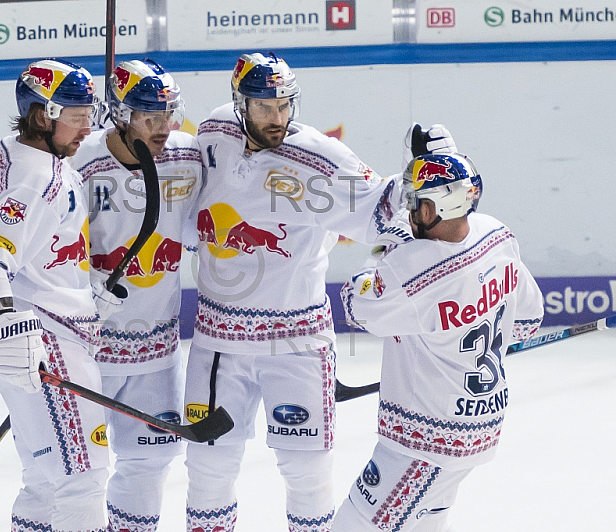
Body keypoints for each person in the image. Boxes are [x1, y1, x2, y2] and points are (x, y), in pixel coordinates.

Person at [184, 51, 455, 532]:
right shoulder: (213, 132)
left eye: (286, 105)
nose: (278, 117)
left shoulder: (319, 158)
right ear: (239, 102)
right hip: (218, 342)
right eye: (265, 107)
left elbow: (381, 210)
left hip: (296, 345)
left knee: (307, 476)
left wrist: (428, 169)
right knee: (208, 471)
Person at [0, 58, 123, 532]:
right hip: (42, 342)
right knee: (84, 475)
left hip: (35, 331)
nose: (87, 127)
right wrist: (9, 325)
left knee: (47, 476)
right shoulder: (37, 176)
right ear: (41, 114)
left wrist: (84, 297)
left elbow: (29, 248)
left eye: (89, 113)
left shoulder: (11, 150)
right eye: (76, 115)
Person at [332, 153, 544, 531]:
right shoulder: (496, 234)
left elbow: (355, 304)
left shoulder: (412, 268)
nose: (410, 209)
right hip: (482, 422)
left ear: (434, 209)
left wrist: (388, 241)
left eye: (415, 202)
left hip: (422, 443)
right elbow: (528, 320)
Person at [70, 59, 202, 532]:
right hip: (87, 350)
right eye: (150, 117)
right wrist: (83, 292)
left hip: (157, 353)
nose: (164, 127)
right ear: (121, 116)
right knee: (78, 469)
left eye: (170, 114)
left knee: (151, 463)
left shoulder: (189, 157)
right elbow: (47, 250)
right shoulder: (79, 164)